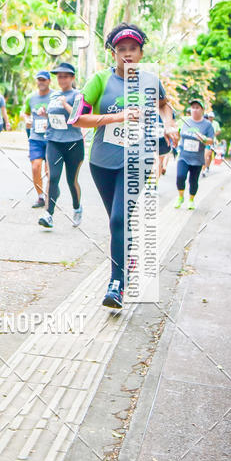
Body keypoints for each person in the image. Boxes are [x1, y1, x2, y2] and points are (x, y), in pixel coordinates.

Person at [71, 23, 175, 309]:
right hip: (102, 161)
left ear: (141, 53)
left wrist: (169, 124)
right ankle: (128, 254)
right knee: (119, 221)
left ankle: (116, 284)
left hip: (137, 160)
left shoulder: (151, 80)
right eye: (121, 50)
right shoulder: (99, 81)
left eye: (133, 49)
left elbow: (165, 105)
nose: (127, 55)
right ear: (113, 53)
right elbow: (77, 118)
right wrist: (116, 118)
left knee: (118, 219)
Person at [39, 62, 84, 229]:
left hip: (73, 144)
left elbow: (78, 117)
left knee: (71, 180)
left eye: (65, 76)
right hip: (54, 141)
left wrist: (65, 103)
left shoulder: (78, 95)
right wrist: (44, 115)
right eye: (59, 76)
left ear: (72, 78)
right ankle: (48, 214)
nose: (62, 79)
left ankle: (77, 208)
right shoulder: (53, 96)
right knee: (53, 178)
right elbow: (54, 118)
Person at [22, 71, 53, 208]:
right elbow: (25, 112)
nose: (41, 82)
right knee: (35, 167)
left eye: (44, 80)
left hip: (51, 137)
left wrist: (50, 121)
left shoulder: (55, 96)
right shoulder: (31, 97)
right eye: (39, 80)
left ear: (49, 81)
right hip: (35, 137)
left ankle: (49, 195)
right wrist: (27, 119)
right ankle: (40, 197)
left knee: (48, 170)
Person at [176, 99, 214, 208]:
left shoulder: (207, 125)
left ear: (202, 110)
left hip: (197, 158)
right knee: (180, 176)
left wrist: (204, 139)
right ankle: (180, 197)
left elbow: (211, 140)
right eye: (193, 107)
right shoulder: (185, 121)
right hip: (183, 156)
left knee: (193, 181)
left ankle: (191, 200)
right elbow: (177, 132)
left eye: (197, 107)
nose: (195, 110)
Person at [202, 111, 220, 176]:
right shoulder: (200, 124)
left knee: (207, 156)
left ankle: (204, 169)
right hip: (201, 143)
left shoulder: (211, 126)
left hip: (209, 143)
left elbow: (211, 137)